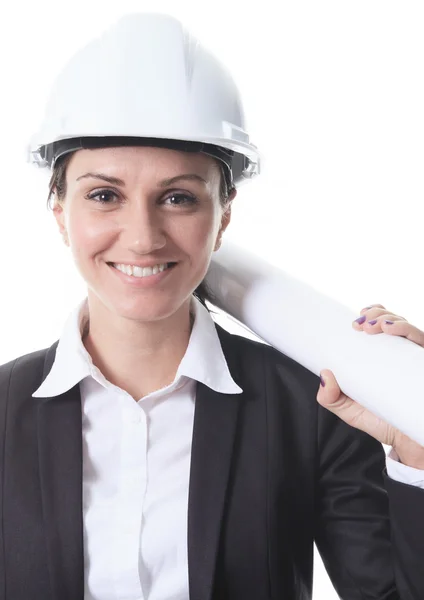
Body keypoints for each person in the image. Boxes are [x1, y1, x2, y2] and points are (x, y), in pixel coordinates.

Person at [0, 12, 423, 600]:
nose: (143, 236)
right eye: (104, 195)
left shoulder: (314, 406)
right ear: (59, 215)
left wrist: (413, 445)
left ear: (222, 218)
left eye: (178, 198)